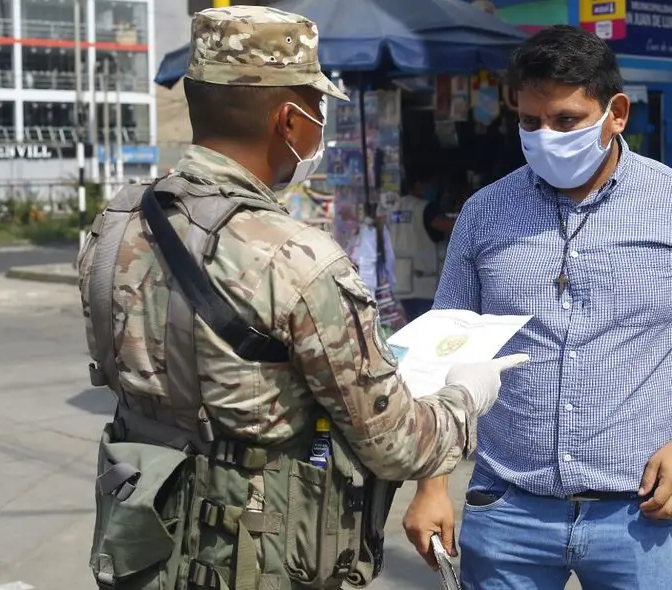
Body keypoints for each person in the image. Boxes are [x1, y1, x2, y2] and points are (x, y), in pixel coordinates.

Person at [76, 6, 525, 590]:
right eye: (317, 108)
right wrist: (467, 396)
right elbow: (397, 444)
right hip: (254, 554)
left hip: (143, 543)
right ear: (289, 121)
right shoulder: (298, 259)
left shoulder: (114, 224)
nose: (320, 124)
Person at [402, 25, 672, 590]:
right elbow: (446, 345)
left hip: (636, 512)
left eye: (567, 120)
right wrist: (432, 486)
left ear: (615, 112)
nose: (546, 135)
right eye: (531, 122)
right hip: (506, 507)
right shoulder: (483, 215)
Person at [387, 169, 456, 321]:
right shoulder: (425, 208)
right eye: (430, 185)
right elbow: (448, 226)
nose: (433, 189)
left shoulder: (393, 209)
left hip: (402, 281)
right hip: (424, 284)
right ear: (418, 185)